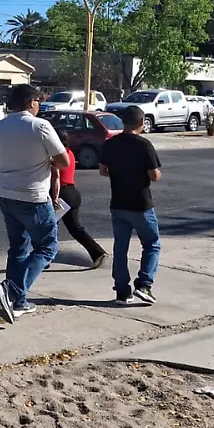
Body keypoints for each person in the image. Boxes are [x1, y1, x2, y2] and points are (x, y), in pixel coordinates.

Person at [0, 84, 69, 324]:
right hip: (33, 196)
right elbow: (62, 161)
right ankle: (12, 292)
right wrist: (43, 160)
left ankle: (18, 302)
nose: (39, 105)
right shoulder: (39, 126)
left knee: (18, 247)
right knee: (47, 247)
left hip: (5, 194)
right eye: (39, 101)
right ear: (32, 102)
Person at [99, 105, 162, 305]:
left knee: (120, 249)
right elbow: (154, 175)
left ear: (123, 122)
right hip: (141, 204)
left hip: (118, 203)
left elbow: (103, 170)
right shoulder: (144, 145)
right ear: (141, 123)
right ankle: (144, 284)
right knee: (152, 244)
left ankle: (122, 291)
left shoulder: (110, 143)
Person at [54, 128, 107, 268]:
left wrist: (54, 198)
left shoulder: (56, 156)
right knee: (75, 228)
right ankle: (97, 253)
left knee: (48, 227)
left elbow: (56, 178)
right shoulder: (70, 153)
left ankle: (44, 257)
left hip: (62, 195)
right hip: (72, 193)